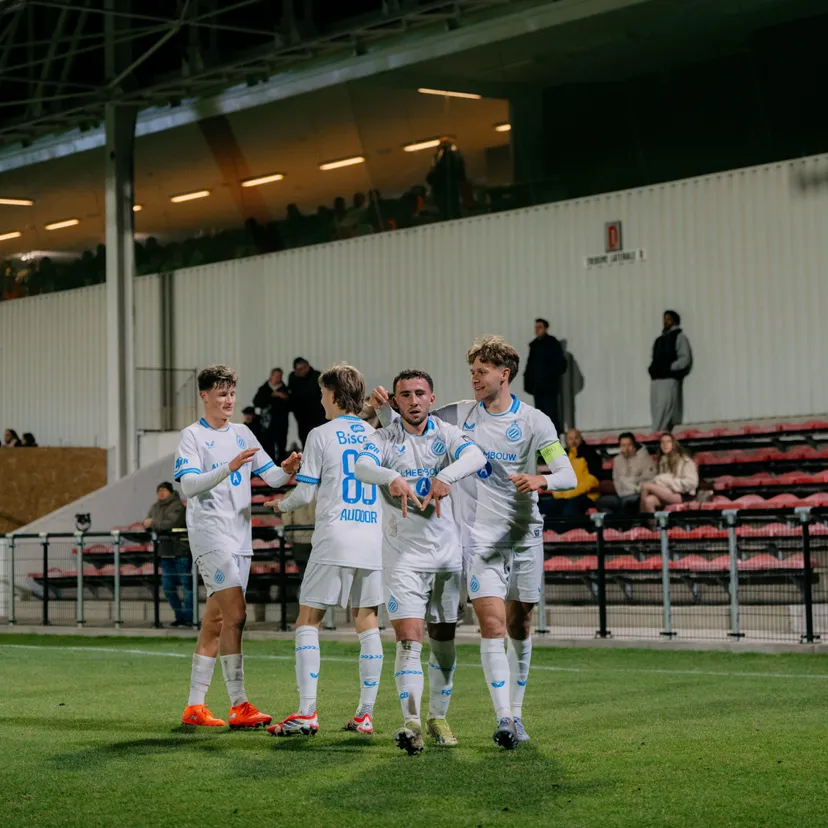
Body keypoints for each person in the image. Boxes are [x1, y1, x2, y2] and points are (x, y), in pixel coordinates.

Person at [366, 336, 576, 749]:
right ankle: (503, 719)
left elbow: (568, 475)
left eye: (482, 372)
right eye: (472, 372)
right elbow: (414, 416)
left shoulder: (535, 421)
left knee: (521, 624)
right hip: (477, 538)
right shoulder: (459, 414)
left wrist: (542, 480)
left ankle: (516, 712)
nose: (475, 379)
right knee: (492, 625)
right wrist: (379, 407)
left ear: (505, 373)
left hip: (525, 533)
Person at [354, 369, 486, 754]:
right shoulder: (382, 438)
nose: (413, 400)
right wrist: (390, 476)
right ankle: (411, 721)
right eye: (405, 395)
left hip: (446, 556)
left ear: (432, 398)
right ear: (395, 401)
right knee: (409, 640)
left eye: (420, 393)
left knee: (443, 638)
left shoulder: (447, 435)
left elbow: (475, 455)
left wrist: (446, 475)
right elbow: (362, 467)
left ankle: (438, 717)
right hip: (403, 558)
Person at [174, 365, 301, 729]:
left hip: (240, 538)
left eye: (231, 393)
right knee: (237, 614)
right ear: (204, 396)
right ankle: (239, 703)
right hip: (210, 535)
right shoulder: (192, 437)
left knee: (216, 621)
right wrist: (228, 468)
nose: (228, 400)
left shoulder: (244, 433)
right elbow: (189, 486)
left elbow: (272, 477)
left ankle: (195, 707)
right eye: (220, 394)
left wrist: (288, 468)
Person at [265, 363, 385, 739]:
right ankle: (365, 714)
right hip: (371, 538)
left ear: (333, 394)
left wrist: (278, 506)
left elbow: (305, 493)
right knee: (367, 622)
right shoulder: (374, 433)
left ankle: (306, 713)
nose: (320, 399)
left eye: (322, 393)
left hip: (334, 536)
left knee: (308, 621)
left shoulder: (320, 434)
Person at [144, 482, 192, 627]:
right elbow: (146, 523)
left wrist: (153, 522)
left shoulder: (178, 506)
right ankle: (180, 616)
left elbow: (170, 524)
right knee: (168, 588)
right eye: (159, 490)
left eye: (164, 490)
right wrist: (152, 523)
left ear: (171, 492)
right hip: (164, 553)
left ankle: (190, 618)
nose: (161, 493)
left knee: (186, 587)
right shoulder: (155, 507)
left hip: (180, 552)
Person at [649, 310, 692, 432]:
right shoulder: (659, 340)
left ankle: (656, 436)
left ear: (675, 321)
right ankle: (660, 435)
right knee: (657, 409)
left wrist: (669, 367)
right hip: (657, 379)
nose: (665, 321)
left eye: (668, 319)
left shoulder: (679, 337)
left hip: (669, 379)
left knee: (664, 409)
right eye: (664, 319)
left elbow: (685, 358)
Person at [544, 429, 600, 521]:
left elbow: (592, 480)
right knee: (547, 507)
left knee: (569, 510)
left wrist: (571, 493)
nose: (573, 441)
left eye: (576, 438)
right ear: (566, 441)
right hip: (565, 496)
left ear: (581, 439)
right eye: (570, 439)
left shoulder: (590, 454)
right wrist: (559, 494)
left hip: (586, 496)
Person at [524, 319, 567, 434]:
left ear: (546, 329)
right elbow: (530, 366)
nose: (537, 330)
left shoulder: (552, 344)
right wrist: (528, 383)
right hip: (538, 388)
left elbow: (561, 365)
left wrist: (549, 377)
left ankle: (554, 436)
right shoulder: (534, 346)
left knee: (551, 414)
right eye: (536, 327)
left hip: (549, 388)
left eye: (540, 327)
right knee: (540, 415)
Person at [596, 433, 656, 515]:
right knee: (601, 502)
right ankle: (613, 525)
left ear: (633, 445)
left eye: (629, 445)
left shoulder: (644, 458)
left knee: (628, 501)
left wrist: (632, 485)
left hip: (637, 493)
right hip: (621, 494)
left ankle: (628, 525)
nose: (626, 448)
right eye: (623, 445)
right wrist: (623, 490)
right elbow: (616, 480)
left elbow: (649, 479)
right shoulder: (617, 460)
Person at [639, 433, 699, 513]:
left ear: (673, 444)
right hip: (668, 492)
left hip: (683, 494)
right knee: (648, 500)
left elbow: (692, 483)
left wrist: (670, 483)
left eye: (668, 442)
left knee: (645, 486)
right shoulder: (662, 460)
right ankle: (653, 525)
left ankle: (639, 520)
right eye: (662, 442)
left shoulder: (685, 460)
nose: (665, 445)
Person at [252, 367, 290, 461]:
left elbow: (291, 405)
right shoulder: (264, 389)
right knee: (267, 446)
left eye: (280, 376)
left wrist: (285, 398)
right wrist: (271, 396)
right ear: (271, 376)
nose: (278, 378)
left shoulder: (285, 389)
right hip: (267, 424)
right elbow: (256, 402)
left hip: (281, 422)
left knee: (281, 446)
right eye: (276, 376)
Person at [288, 358, 326, 447]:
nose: (299, 372)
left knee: (318, 437)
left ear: (307, 367)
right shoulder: (293, 377)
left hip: (316, 414)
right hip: (301, 415)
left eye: (301, 369)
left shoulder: (317, 376)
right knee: (304, 437)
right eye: (297, 370)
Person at [426, 137, 466, 221]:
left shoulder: (440, 160)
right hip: (448, 191)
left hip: (445, 191)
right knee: (451, 208)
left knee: (447, 209)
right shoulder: (447, 158)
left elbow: (431, 177)